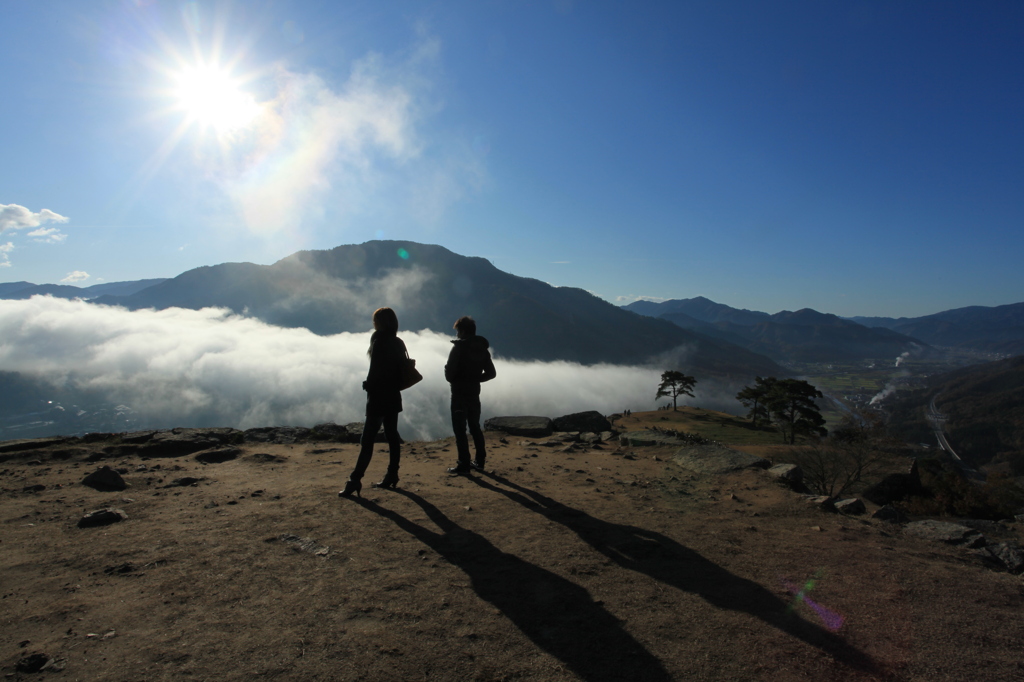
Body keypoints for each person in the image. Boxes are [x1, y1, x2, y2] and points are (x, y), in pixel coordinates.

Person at [340, 307, 407, 497]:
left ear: (380, 322)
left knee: (367, 439)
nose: (373, 323)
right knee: (392, 435)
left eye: (375, 320)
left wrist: (368, 385)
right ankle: (392, 474)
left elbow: (375, 369)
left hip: (378, 396)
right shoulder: (398, 342)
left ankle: (355, 480)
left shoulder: (378, 341)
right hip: (394, 394)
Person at [444, 316, 497, 474]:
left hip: (459, 394)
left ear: (462, 331)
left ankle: (463, 464)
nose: (457, 335)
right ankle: (479, 462)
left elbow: (449, 375)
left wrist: (458, 378)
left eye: (458, 331)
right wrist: (475, 379)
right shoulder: (482, 349)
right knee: (475, 427)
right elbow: (491, 373)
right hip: (474, 393)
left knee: (460, 429)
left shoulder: (458, 348)